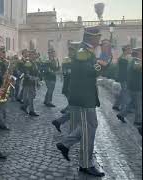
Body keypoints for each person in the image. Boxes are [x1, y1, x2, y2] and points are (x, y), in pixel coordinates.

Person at [56, 27, 107, 177]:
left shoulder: (87, 51)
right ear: (91, 37)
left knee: (89, 126)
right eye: (98, 37)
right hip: (84, 97)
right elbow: (88, 71)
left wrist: (100, 63)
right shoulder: (83, 52)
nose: (99, 40)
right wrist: (102, 64)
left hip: (85, 96)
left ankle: (65, 144)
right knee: (89, 129)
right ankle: (85, 164)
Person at [51, 41, 80, 133]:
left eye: (73, 51)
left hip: (74, 88)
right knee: (76, 108)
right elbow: (67, 73)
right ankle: (70, 128)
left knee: (75, 108)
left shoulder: (76, 60)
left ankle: (59, 121)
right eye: (71, 51)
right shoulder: (69, 61)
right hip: (71, 88)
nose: (72, 53)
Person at [117, 47, 142, 129]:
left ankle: (121, 114)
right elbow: (137, 68)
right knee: (139, 105)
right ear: (138, 53)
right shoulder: (136, 61)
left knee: (131, 104)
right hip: (136, 87)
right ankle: (138, 121)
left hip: (134, 86)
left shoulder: (135, 61)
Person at [20, 50, 39, 116]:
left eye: (35, 54)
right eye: (33, 54)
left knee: (32, 96)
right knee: (30, 96)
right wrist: (33, 78)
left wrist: (37, 81)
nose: (35, 56)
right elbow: (26, 73)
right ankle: (31, 111)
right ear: (30, 55)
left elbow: (36, 73)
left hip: (33, 82)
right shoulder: (28, 62)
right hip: (28, 82)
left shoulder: (34, 63)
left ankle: (24, 106)